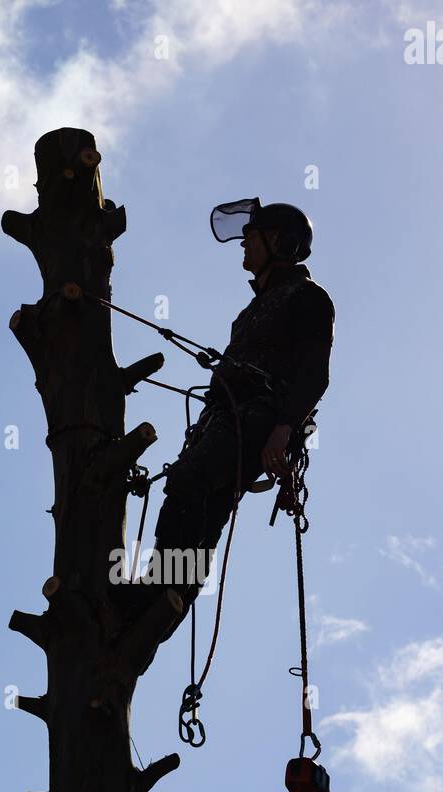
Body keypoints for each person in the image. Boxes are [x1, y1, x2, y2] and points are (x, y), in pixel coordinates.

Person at [118, 198, 335, 632]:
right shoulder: (251, 311)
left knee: (189, 480)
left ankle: (160, 588)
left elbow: (315, 375)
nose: (243, 245)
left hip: (260, 417)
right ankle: (165, 609)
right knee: (203, 509)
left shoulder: (308, 297)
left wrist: (282, 431)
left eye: (252, 236)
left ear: (279, 242)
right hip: (225, 417)